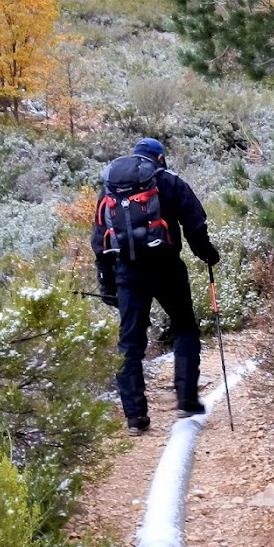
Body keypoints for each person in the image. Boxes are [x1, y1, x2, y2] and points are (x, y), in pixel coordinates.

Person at [92, 137, 220, 435]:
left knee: (130, 344)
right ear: (159, 158)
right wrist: (207, 255)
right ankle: (187, 401)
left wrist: (107, 281)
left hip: (127, 273)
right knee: (184, 327)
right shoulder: (169, 182)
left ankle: (135, 417)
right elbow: (195, 223)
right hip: (166, 268)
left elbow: (100, 239)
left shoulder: (111, 188)